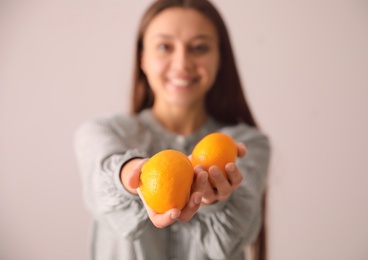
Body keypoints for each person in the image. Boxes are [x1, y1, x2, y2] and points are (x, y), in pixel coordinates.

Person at [74, 0, 271, 259]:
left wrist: (213, 200)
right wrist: (134, 176)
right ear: (142, 58)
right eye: (165, 46)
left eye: (199, 47)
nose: (182, 64)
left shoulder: (246, 145)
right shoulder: (103, 131)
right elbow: (103, 178)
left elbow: (230, 238)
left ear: (219, 59)